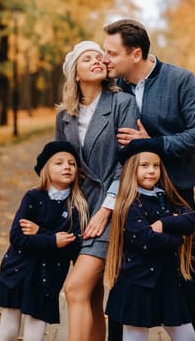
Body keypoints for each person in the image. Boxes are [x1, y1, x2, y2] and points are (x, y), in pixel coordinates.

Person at [102, 19, 195, 341]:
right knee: (124, 278)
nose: (105, 58)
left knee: (188, 275)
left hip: (176, 196)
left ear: (135, 53)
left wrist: (153, 143)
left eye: (111, 52)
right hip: (128, 199)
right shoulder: (113, 88)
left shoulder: (180, 80)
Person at [55, 41, 139, 341]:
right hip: (77, 210)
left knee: (74, 288)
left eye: (98, 57)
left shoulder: (122, 104)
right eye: (86, 58)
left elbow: (127, 162)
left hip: (110, 207)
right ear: (75, 73)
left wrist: (107, 210)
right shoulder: (65, 115)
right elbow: (58, 162)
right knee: (90, 295)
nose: (96, 61)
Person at [0, 141, 89, 341]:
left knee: (34, 336)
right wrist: (53, 240)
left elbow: (72, 246)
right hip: (18, 272)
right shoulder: (33, 197)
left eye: (71, 163)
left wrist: (39, 232)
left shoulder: (77, 205)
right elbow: (17, 237)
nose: (67, 167)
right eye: (59, 163)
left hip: (48, 279)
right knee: (8, 332)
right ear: (46, 170)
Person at [104, 138, 195, 341]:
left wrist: (164, 225)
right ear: (131, 169)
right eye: (144, 165)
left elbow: (192, 220)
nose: (152, 170)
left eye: (156, 165)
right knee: (136, 337)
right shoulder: (129, 203)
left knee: (187, 336)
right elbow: (146, 240)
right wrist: (179, 238)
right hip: (137, 282)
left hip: (165, 281)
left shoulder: (165, 196)